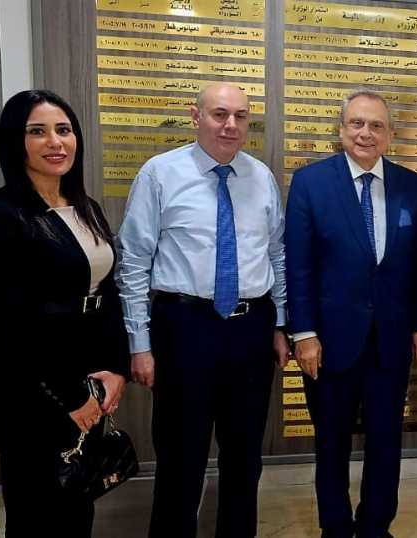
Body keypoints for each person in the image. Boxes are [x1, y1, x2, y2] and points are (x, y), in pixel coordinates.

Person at [115, 82, 289, 537]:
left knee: (245, 457)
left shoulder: (261, 177)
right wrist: (139, 343)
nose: (231, 125)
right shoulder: (160, 173)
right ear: (196, 117)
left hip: (251, 327)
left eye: (240, 116)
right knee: (180, 456)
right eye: (219, 114)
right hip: (184, 326)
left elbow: (276, 254)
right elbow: (133, 262)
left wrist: (281, 323)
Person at [0, 89, 129, 537]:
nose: (55, 142)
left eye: (64, 130)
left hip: (92, 380)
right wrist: (72, 397)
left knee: (78, 506)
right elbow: (15, 320)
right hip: (34, 388)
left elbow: (106, 293)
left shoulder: (87, 209)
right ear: (15, 141)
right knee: (36, 513)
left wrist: (116, 368)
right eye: (37, 131)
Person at [285, 88, 417, 538]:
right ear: (341, 129)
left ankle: (375, 526)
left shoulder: (414, 188)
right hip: (330, 343)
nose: (365, 133)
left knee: (386, 442)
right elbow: (298, 264)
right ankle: (335, 527)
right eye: (357, 123)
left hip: (391, 341)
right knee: (331, 443)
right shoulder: (311, 183)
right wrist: (303, 333)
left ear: (390, 135)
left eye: (376, 125)